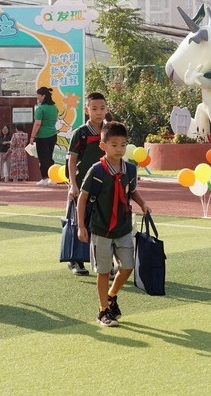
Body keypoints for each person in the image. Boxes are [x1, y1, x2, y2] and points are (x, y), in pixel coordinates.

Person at [77, 121, 151, 327]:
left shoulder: (130, 169)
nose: (119, 149)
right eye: (114, 145)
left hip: (123, 227)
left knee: (127, 267)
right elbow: (82, 198)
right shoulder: (96, 171)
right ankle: (103, 311)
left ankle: (112, 295)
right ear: (103, 146)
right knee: (103, 271)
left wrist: (143, 203)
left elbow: (132, 191)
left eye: (123, 145)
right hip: (101, 228)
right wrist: (81, 226)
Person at [65, 92, 108, 276]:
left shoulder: (110, 131)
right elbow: (72, 159)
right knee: (78, 221)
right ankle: (75, 260)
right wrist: (72, 184)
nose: (99, 112)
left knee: (102, 223)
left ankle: (102, 261)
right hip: (81, 185)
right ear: (86, 110)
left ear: (107, 109)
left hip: (104, 185)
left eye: (102, 108)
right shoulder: (80, 133)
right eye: (94, 108)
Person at [30, 86, 59, 186]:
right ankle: (52, 178)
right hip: (53, 135)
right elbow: (55, 120)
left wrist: (32, 136)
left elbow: (37, 123)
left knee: (43, 158)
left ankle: (45, 178)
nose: (37, 97)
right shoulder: (54, 107)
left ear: (43, 96)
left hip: (42, 136)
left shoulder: (40, 108)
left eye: (38, 95)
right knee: (49, 157)